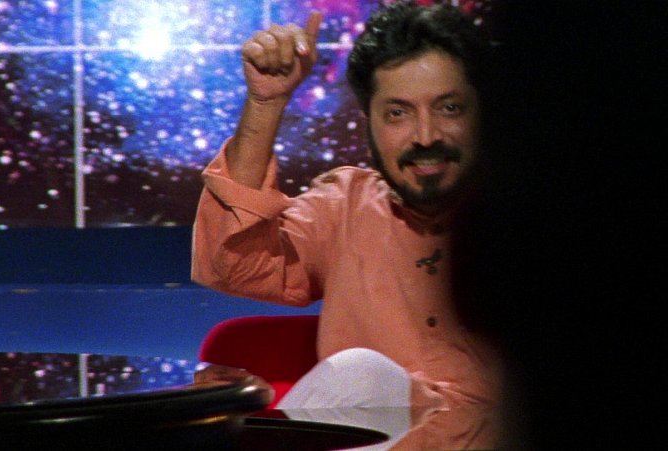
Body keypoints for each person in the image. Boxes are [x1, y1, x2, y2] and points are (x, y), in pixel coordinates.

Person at [192, 2, 501, 448]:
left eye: (449, 108)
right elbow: (230, 266)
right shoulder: (344, 207)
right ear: (368, 124)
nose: (425, 135)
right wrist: (266, 104)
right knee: (360, 374)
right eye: (397, 113)